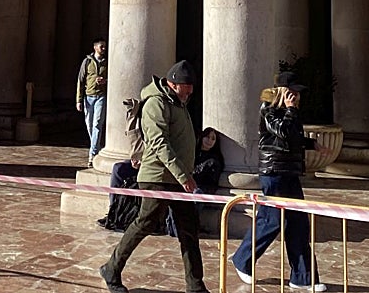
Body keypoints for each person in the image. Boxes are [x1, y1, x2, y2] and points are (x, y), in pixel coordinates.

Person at [99, 59, 208, 293]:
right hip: (158, 177)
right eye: (186, 88)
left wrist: (185, 174)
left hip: (177, 178)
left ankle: (195, 285)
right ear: (172, 84)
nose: (189, 93)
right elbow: (160, 143)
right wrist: (184, 176)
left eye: (191, 88)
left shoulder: (177, 102)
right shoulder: (156, 104)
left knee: (189, 229)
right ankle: (111, 268)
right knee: (144, 223)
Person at [232, 71, 330, 291]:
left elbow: (293, 137)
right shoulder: (269, 111)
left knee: (298, 223)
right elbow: (283, 131)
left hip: (290, 172)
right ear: (284, 92)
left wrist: (312, 144)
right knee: (272, 219)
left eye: (298, 94)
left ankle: (303, 278)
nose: (297, 97)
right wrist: (291, 110)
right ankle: (243, 260)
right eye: (293, 92)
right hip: (274, 172)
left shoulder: (289, 113)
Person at [76, 38, 107, 167]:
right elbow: (80, 80)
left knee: (97, 124)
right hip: (88, 97)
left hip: (101, 96)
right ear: (95, 47)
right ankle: (96, 146)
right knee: (90, 126)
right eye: (101, 46)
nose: (103, 49)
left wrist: (105, 81)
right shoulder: (87, 61)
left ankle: (92, 154)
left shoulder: (107, 62)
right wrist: (78, 99)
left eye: (104, 46)